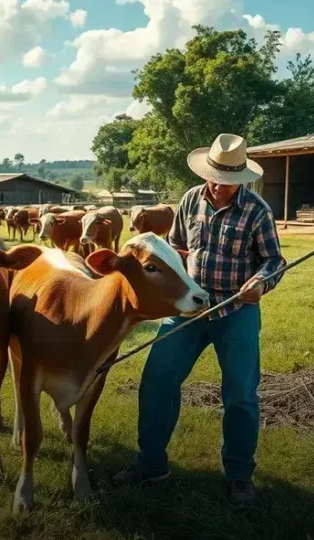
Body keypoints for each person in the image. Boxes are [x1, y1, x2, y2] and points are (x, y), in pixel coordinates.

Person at [113, 133, 285, 509]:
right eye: (214, 176)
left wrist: (261, 281)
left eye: (228, 181)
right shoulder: (190, 199)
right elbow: (176, 248)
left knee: (240, 394)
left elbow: (274, 260)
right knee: (157, 378)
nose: (218, 186)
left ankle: (239, 477)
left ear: (241, 179)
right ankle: (151, 462)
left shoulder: (257, 211)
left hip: (236, 310)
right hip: (187, 308)